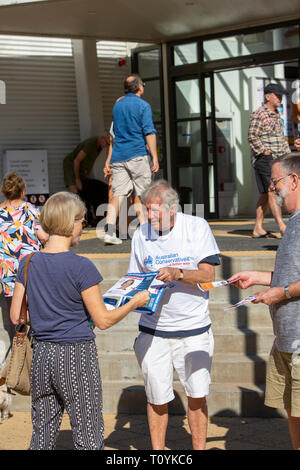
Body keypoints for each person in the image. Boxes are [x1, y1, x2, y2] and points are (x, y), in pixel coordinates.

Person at [10, 191, 149, 450]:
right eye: (81, 222)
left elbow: (16, 315)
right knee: (87, 433)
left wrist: (47, 313)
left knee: (42, 432)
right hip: (76, 354)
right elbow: (103, 320)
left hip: (42, 354)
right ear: (70, 222)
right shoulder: (81, 267)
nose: (82, 228)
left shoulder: (28, 262)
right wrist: (134, 302)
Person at [128, 179, 220, 450]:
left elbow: (208, 275)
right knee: (156, 398)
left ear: (172, 209)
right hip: (153, 330)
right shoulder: (140, 234)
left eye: (155, 210)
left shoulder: (196, 227)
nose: (149, 216)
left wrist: (178, 273)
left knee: (197, 396)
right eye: (146, 209)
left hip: (194, 330)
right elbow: (135, 278)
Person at [228, 153, 300, 450]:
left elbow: (289, 286)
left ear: (295, 180)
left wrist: (280, 293)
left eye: (276, 182)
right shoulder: (294, 223)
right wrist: (259, 277)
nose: (272, 189)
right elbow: (290, 274)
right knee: (294, 414)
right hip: (287, 339)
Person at [104, 74, 159, 245]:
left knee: (118, 194)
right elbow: (149, 131)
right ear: (140, 87)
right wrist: (155, 156)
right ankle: (145, 231)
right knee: (143, 193)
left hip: (118, 156)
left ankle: (110, 231)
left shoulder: (117, 106)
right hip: (137, 154)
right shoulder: (143, 106)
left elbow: (113, 134)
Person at [0, 172, 48, 364]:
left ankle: (13, 361)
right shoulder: (33, 211)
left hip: (6, 275)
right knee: (29, 313)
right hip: (29, 272)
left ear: (4, 192)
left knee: (11, 319)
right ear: (23, 191)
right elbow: (44, 236)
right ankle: (31, 359)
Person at [248, 82, 291, 238]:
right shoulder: (259, 113)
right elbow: (252, 136)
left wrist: (287, 156)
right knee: (272, 192)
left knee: (266, 194)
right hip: (266, 160)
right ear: (267, 96)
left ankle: (258, 228)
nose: (280, 98)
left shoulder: (276, 114)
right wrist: (265, 152)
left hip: (278, 159)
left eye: (280, 96)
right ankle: (281, 226)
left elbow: (280, 138)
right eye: (277, 95)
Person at [63, 135, 110, 226]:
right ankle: (76, 220)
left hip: (81, 168)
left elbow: (92, 162)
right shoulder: (90, 144)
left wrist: (86, 174)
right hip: (71, 165)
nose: (106, 146)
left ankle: (89, 219)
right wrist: (76, 179)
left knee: (86, 189)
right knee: (75, 191)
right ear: (101, 138)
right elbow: (76, 160)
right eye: (107, 143)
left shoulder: (99, 148)